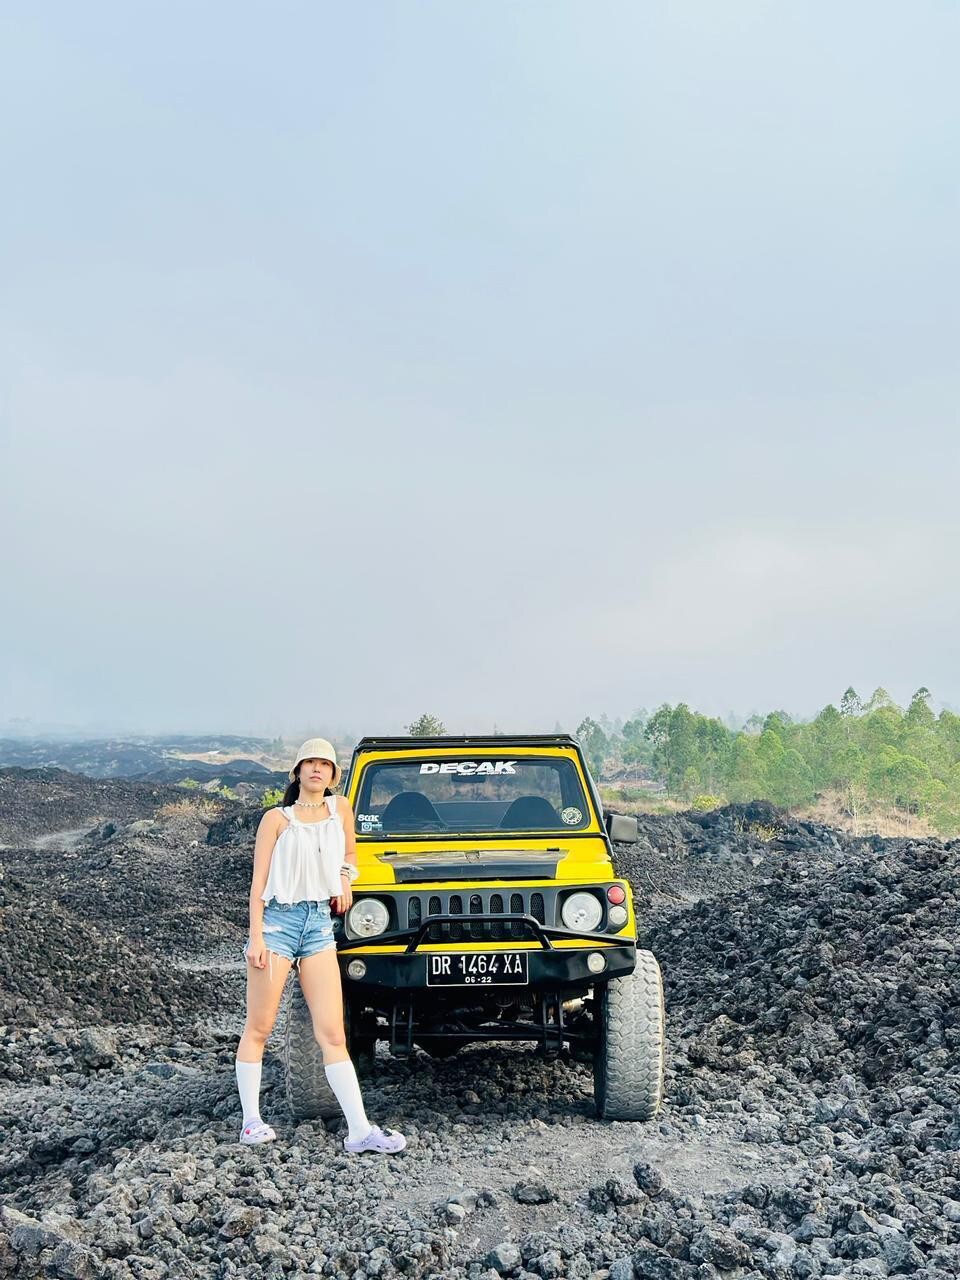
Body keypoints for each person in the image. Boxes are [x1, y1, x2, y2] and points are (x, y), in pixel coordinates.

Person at [234, 737, 406, 1154]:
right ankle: (251, 1122)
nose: (316, 769)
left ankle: (359, 1131)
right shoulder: (276, 819)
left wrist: (344, 879)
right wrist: (255, 936)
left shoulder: (340, 809)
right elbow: (258, 884)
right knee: (260, 1026)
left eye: (324, 764)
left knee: (331, 1031)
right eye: (309, 762)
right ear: (297, 772)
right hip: (277, 923)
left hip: (317, 924)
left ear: (333, 774)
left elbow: (351, 851)